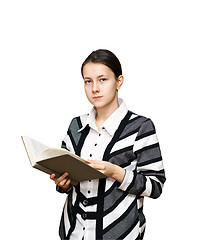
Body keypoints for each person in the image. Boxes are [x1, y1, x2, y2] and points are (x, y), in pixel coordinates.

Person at [50, 49, 166, 240]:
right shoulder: (76, 125)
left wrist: (116, 173)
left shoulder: (140, 127)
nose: (95, 88)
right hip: (73, 233)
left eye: (102, 79)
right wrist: (63, 183)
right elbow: (68, 180)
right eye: (88, 81)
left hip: (119, 234)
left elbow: (155, 186)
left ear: (119, 81)